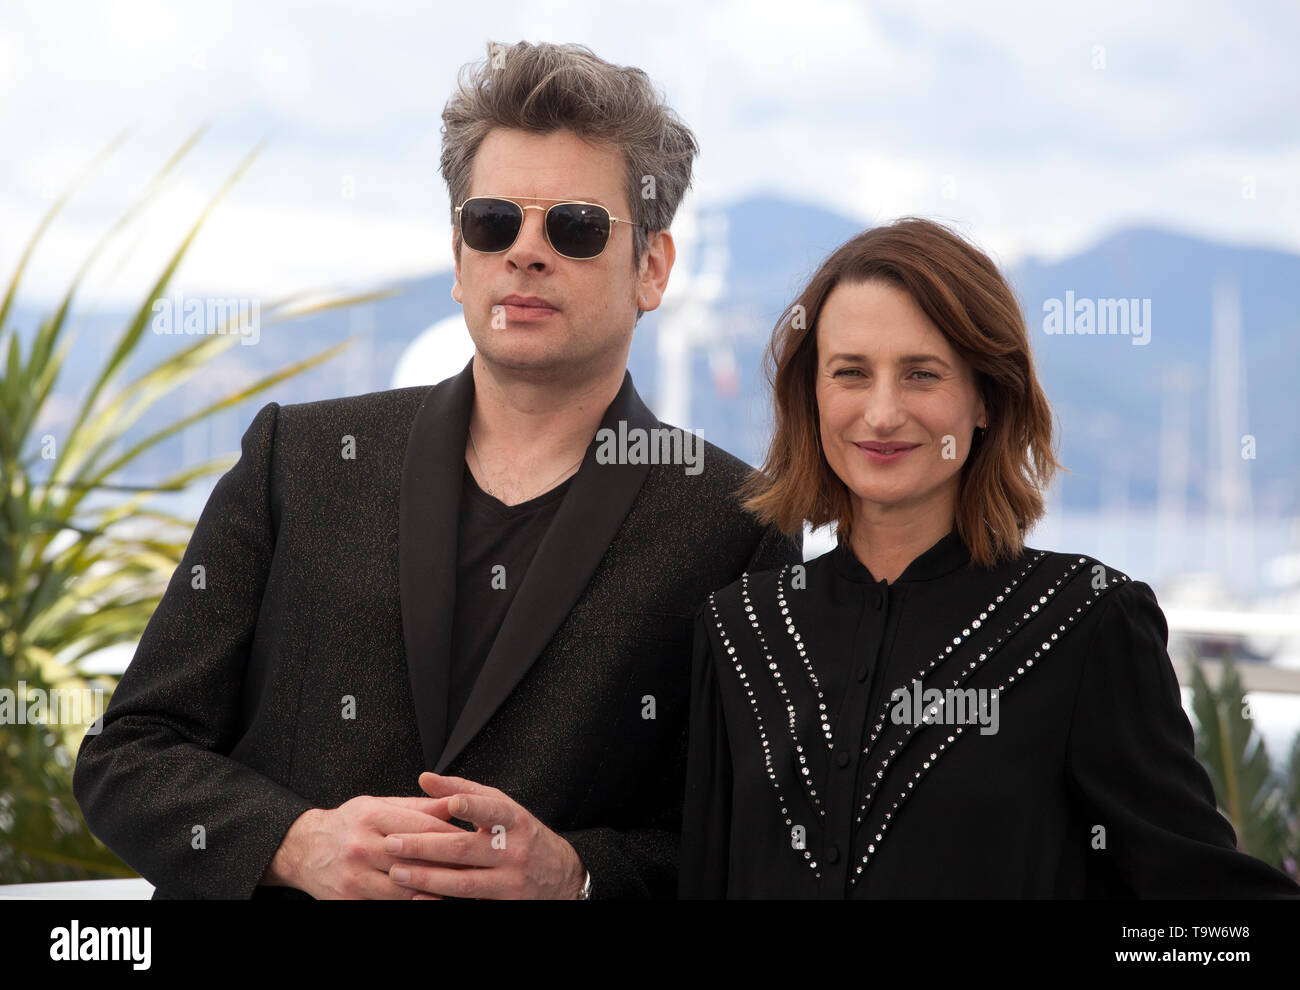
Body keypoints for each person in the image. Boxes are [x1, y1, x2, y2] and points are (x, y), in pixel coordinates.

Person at [73, 41, 800, 900]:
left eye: (574, 226)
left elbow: (752, 842)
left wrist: (575, 875)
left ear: (652, 267)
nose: (525, 253)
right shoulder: (294, 461)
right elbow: (129, 755)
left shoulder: (736, 525)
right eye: (492, 222)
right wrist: (297, 843)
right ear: (459, 259)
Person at [678, 217, 1300, 898]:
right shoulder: (741, 628)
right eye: (850, 373)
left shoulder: (1084, 623)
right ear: (812, 395)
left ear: (986, 398)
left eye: (922, 374)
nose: (882, 414)